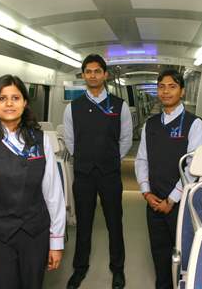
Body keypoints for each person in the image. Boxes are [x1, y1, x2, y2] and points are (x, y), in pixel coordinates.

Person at [0, 75, 65, 289]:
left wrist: (56, 242)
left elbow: (53, 193)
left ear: (25, 103)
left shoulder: (41, 139)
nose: (9, 104)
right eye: (2, 98)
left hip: (35, 232)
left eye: (15, 98)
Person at [64, 54, 132, 289]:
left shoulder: (119, 106)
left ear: (105, 74)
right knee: (84, 223)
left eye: (97, 71)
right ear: (83, 75)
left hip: (110, 173)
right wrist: (86, 159)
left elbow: (125, 139)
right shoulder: (73, 108)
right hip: (83, 174)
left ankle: (118, 269)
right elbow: (71, 142)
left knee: (115, 222)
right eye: (88, 71)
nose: (92, 75)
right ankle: (79, 269)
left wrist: (110, 159)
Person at [134, 69, 202, 289]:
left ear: (182, 91)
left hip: (181, 203)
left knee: (184, 252)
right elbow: (141, 160)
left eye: (172, 86)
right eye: (162, 87)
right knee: (159, 252)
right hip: (154, 200)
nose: (166, 91)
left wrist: (172, 199)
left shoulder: (194, 124)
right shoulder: (151, 124)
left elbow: (192, 167)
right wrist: (146, 192)